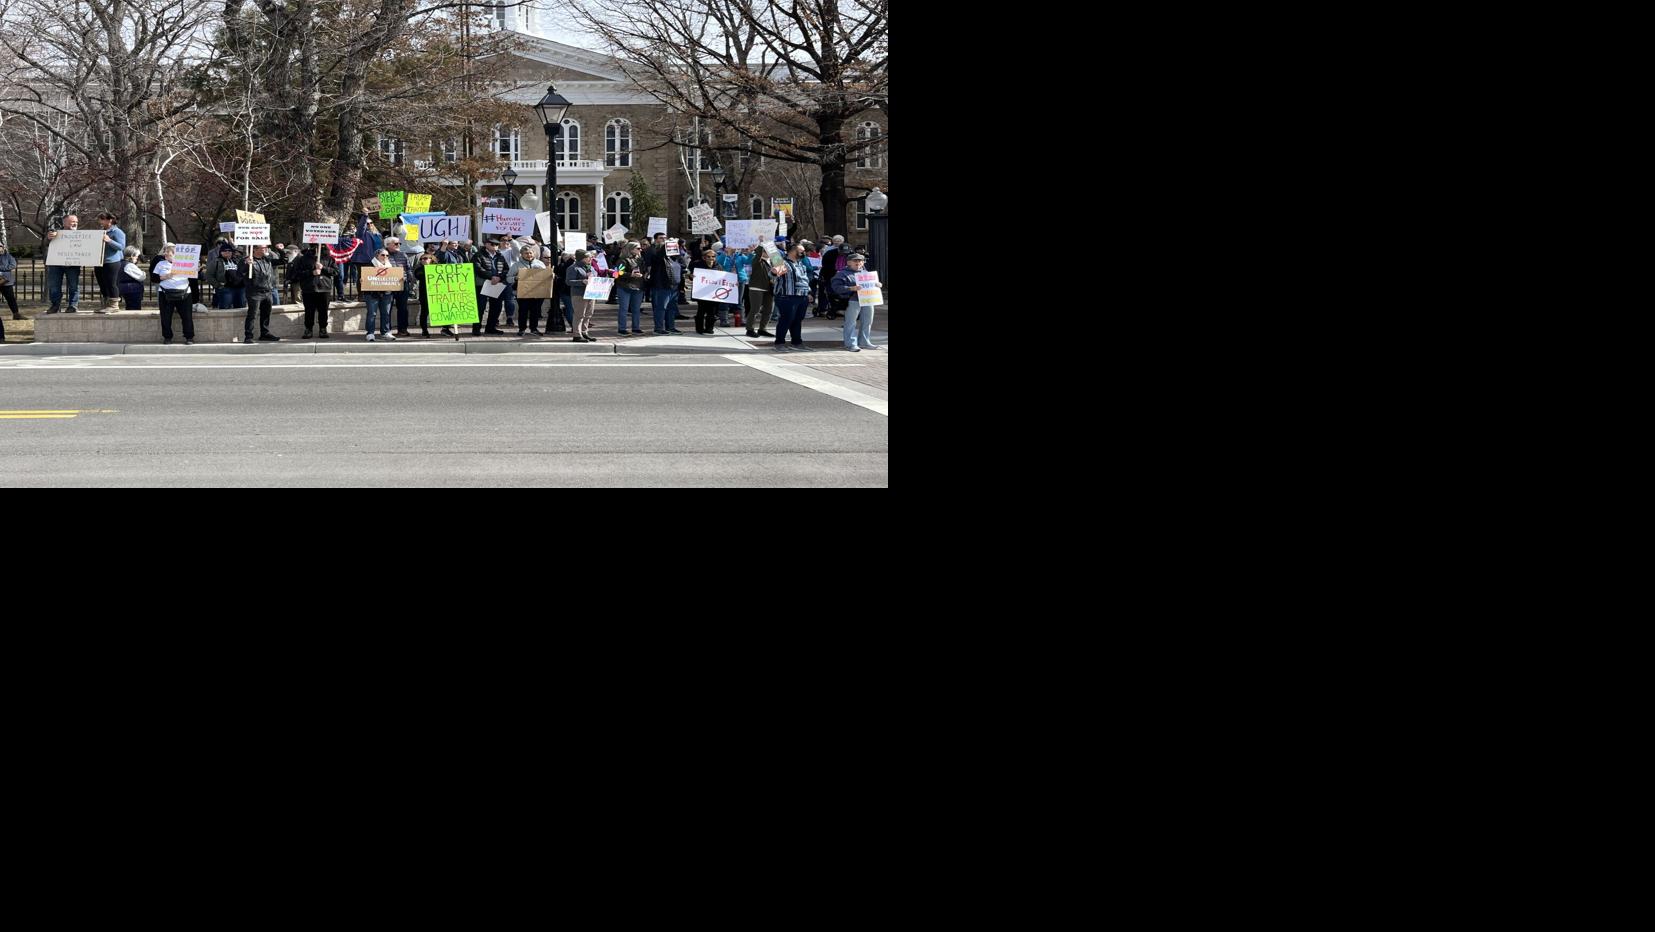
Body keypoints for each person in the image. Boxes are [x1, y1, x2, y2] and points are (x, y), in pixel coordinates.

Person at [832, 253, 879, 351]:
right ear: (849, 262)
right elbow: (836, 287)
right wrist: (851, 288)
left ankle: (864, 342)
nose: (858, 263)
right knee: (850, 322)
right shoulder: (842, 274)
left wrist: (877, 284)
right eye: (855, 261)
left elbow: (871, 285)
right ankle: (851, 344)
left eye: (860, 261)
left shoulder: (866, 273)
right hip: (852, 300)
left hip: (868, 300)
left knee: (867, 321)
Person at [772, 242, 813, 351]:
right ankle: (779, 343)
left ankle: (797, 342)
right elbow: (773, 273)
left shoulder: (800, 263)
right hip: (787, 296)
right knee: (786, 319)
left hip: (802, 295)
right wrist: (774, 272)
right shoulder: (782, 262)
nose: (803, 253)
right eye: (801, 251)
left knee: (797, 320)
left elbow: (805, 279)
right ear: (793, 250)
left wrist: (808, 292)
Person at [152, 245, 195, 345]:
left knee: (187, 316)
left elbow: (194, 280)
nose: (166, 254)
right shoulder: (160, 264)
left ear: (176, 255)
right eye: (165, 252)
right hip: (165, 294)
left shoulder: (185, 264)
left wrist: (196, 271)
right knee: (166, 317)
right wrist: (166, 276)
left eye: (169, 253)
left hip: (184, 293)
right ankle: (167, 337)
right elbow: (154, 278)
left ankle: (189, 337)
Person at [292, 245, 335, 338]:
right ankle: (308, 329)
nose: (317, 247)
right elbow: (296, 274)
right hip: (309, 288)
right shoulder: (303, 258)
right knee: (309, 311)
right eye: (315, 245)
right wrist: (311, 272)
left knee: (323, 311)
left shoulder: (328, 258)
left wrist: (323, 268)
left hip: (324, 288)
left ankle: (323, 329)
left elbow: (336, 272)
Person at [43, 214, 82, 314]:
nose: (75, 224)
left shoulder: (81, 234)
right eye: (72, 222)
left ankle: (73, 306)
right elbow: (45, 243)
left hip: (73, 264)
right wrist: (48, 238)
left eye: (76, 222)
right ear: (64, 223)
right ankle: (55, 306)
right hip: (56, 264)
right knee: (54, 286)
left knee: (74, 286)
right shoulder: (55, 232)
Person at [508, 244, 548, 336]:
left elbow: (545, 277)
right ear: (521, 254)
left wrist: (550, 276)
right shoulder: (516, 265)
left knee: (535, 311)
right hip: (522, 292)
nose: (529, 255)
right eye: (526, 253)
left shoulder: (540, 264)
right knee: (523, 311)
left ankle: (534, 329)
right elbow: (508, 278)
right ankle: (522, 329)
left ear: (533, 253)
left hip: (537, 292)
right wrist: (515, 278)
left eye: (530, 253)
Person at [244, 244, 280, 343]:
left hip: (267, 291)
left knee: (266, 314)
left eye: (266, 247)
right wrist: (246, 265)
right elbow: (239, 274)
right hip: (254, 293)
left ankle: (265, 333)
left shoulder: (267, 259)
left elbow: (283, 261)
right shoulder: (247, 260)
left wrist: (280, 250)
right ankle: (248, 336)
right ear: (255, 249)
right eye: (263, 248)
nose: (266, 249)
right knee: (252, 315)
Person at [472, 239, 508, 335]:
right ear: (486, 244)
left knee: (497, 307)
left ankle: (491, 328)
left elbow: (506, 269)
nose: (495, 246)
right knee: (480, 307)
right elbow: (478, 268)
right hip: (483, 284)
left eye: (497, 244)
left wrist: (499, 278)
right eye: (492, 244)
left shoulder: (500, 256)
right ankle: (476, 329)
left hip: (497, 284)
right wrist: (491, 277)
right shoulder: (478, 255)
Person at [94, 212, 127, 313]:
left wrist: (109, 241)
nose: (100, 222)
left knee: (111, 283)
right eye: (99, 219)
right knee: (102, 283)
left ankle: (114, 305)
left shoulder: (117, 232)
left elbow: (121, 247)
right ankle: (105, 304)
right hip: (99, 261)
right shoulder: (101, 231)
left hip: (112, 262)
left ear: (110, 220)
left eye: (102, 219)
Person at [363, 248, 396, 341]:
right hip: (372, 293)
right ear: (377, 256)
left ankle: (385, 332)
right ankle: (370, 333)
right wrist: (362, 280)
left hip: (386, 293)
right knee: (372, 314)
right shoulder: (370, 265)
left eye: (387, 255)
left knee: (386, 313)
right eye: (383, 255)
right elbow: (363, 278)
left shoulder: (391, 266)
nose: (385, 257)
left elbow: (395, 277)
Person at [385, 237, 415, 337]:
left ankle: (402, 329)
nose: (398, 245)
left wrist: (410, 278)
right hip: (388, 285)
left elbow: (409, 269)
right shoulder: (382, 254)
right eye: (396, 244)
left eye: (399, 244)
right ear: (388, 245)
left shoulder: (403, 255)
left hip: (403, 284)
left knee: (403, 308)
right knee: (387, 308)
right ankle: (386, 330)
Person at [614, 241, 646, 335]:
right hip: (625, 287)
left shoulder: (640, 259)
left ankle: (636, 327)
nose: (640, 250)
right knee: (623, 309)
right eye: (638, 248)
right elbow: (616, 273)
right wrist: (630, 274)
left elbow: (643, 270)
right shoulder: (623, 259)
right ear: (631, 249)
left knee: (636, 309)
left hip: (638, 286)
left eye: (640, 248)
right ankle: (622, 328)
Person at [691, 246, 724, 335]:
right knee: (701, 311)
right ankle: (699, 329)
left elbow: (723, 279)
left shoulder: (718, 266)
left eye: (713, 256)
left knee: (712, 312)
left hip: (713, 293)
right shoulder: (697, 265)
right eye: (708, 256)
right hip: (702, 293)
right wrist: (691, 276)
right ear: (704, 257)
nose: (711, 258)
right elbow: (691, 276)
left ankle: (709, 328)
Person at [745, 244, 776, 338]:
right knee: (755, 309)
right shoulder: (756, 259)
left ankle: (763, 329)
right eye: (765, 251)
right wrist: (762, 243)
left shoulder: (773, 261)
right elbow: (758, 253)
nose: (768, 252)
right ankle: (750, 329)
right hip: (756, 287)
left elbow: (780, 272)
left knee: (769, 309)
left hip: (769, 288)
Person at [566, 249, 597, 343]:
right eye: (588, 257)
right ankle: (577, 335)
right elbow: (568, 281)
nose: (590, 258)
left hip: (591, 293)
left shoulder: (591, 268)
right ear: (581, 258)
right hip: (579, 294)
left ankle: (584, 332)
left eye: (591, 257)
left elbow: (595, 277)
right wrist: (582, 282)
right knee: (579, 315)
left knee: (588, 314)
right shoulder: (573, 268)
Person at [117, 246, 146, 310]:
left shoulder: (121, 263)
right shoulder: (129, 265)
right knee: (134, 308)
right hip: (132, 289)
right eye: (137, 256)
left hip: (126, 288)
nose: (137, 258)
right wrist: (143, 273)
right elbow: (142, 277)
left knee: (130, 308)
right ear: (132, 255)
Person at [0, 243, 19, 324]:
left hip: (6, 281)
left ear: (3, 247)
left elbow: (13, 265)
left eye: (0, 246)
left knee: (11, 299)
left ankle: (16, 314)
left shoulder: (8, 256)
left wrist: (2, 268)